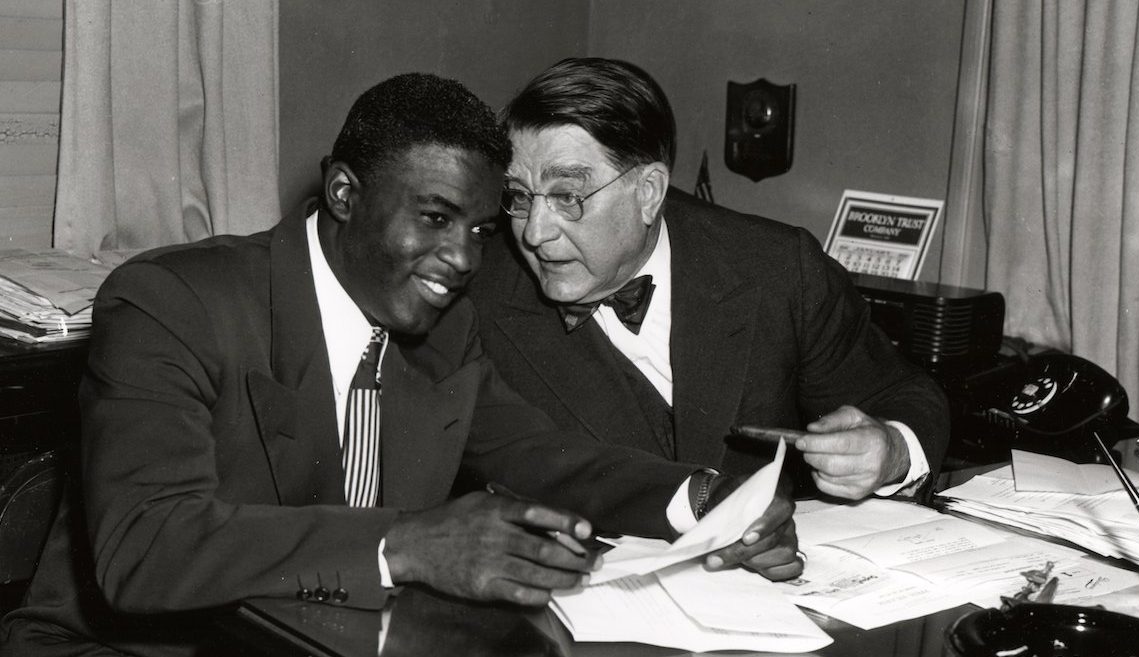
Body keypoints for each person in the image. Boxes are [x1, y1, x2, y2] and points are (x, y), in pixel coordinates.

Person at [0, 73, 797, 657]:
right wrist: (405, 544)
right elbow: (147, 547)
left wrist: (702, 498)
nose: (462, 258)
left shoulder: (442, 330)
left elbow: (543, 457)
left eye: (483, 230)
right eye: (435, 218)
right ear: (344, 193)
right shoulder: (172, 304)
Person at [468, 57, 950, 503]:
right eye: (520, 196)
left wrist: (891, 449)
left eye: (568, 195)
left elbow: (901, 395)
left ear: (648, 192)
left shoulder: (777, 267)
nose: (534, 232)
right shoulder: (477, 296)